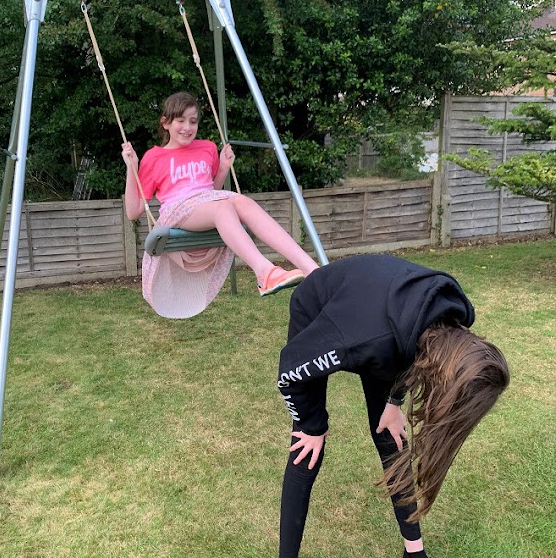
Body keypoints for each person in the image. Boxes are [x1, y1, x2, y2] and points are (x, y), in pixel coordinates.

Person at [277, 254, 510, 558]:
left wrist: (394, 401)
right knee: (308, 448)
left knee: (390, 434)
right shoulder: (368, 341)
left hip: (382, 314)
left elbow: (417, 354)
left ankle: (414, 552)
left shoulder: (454, 319)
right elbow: (291, 369)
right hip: (323, 306)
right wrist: (312, 424)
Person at [122, 92, 319, 318]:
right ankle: (264, 272)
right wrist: (131, 168)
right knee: (224, 206)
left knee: (241, 201)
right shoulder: (154, 157)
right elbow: (133, 212)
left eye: (193, 122)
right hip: (177, 211)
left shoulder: (206, 148)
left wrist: (224, 167)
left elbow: (211, 191)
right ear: (165, 122)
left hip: (208, 205)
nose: (187, 127)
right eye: (181, 120)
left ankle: (311, 268)